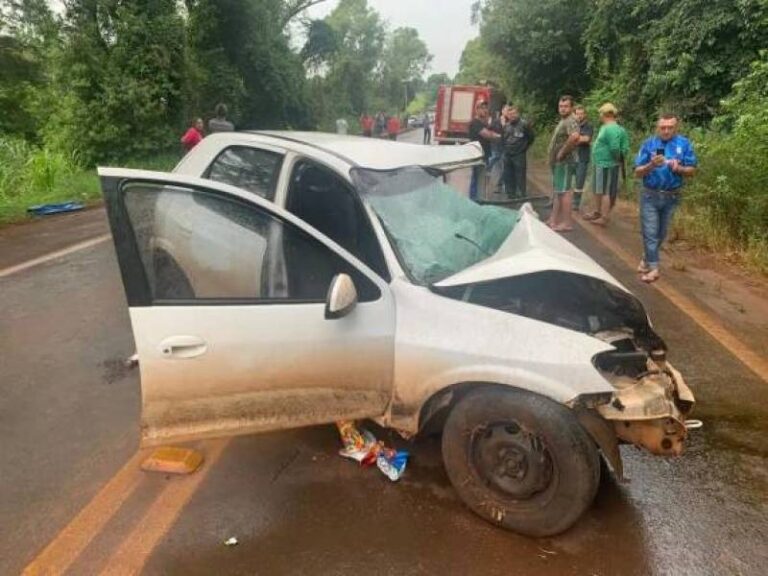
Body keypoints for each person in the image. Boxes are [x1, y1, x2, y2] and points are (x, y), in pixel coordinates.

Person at [633, 113, 697, 283]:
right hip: (650, 194)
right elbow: (637, 172)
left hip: (671, 196)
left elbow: (692, 170)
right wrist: (651, 164)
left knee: (661, 233)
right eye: (663, 127)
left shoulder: (684, 144)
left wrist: (679, 168)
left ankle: (647, 259)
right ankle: (654, 268)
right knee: (650, 232)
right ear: (657, 127)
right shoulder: (649, 144)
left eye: (670, 127)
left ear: (676, 127)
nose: (666, 131)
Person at [583, 103, 629, 226]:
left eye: (601, 114)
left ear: (606, 114)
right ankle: (598, 212)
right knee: (598, 189)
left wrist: (616, 159)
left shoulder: (611, 128)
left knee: (606, 191)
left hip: (608, 164)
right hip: (600, 163)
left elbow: (615, 148)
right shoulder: (606, 127)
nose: (600, 116)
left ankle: (604, 217)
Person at [546, 95, 581, 231]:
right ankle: (553, 219)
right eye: (561, 106)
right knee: (558, 191)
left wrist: (562, 152)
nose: (562, 109)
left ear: (571, 108)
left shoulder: (571, 120)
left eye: (566, 106)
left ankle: (567, 223)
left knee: (565, 192)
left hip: (565, 162)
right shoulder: (564, 120)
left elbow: (574, 137)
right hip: (559, 163)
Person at [468, 100, 501, 200]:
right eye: (482, 108)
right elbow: (487, 135)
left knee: (479, 178)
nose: (485, 110)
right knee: (478, 179)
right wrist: (500, 136)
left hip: (483, 155)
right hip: (477, 156)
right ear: (476, 110)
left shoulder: (483, 123)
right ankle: (476, 200)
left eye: (486, 108)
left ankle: (476, 199)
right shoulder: (475, 123)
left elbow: (491, 131)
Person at [501, 104, 535, 199]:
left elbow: (531, 137)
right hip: (507, 154)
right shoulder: (506, 126)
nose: (512, 116)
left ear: (518, 114)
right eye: (510, 114)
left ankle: (521, 194)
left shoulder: (524, 124)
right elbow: (503, 139)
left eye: (514, 114)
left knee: (520, 175)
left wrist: (524, 148)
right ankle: (510, 193)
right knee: (508, 174)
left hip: (519, 154)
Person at [573, 105, 593, 210]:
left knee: (579, 181)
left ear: (585, 114)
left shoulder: (588, 126)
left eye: (581, 113)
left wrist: (574, 139)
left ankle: (576, 203)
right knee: (569, 180)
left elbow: (586, 139)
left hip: (582, 157)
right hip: (571, 156)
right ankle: (566, 201)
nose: (579, 116)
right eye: (577, 113)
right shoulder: (572, 125)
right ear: (574, 114)